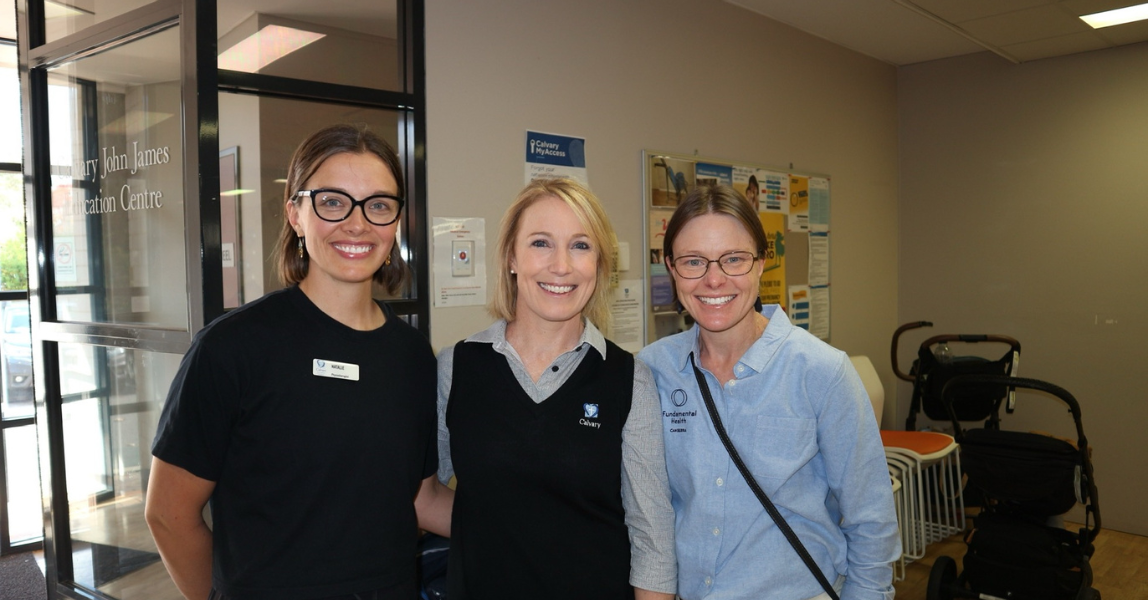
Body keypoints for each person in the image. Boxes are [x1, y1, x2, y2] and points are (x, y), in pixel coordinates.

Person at [145, 124, 453, 600]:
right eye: (332, 202)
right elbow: (168, 514)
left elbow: (422, 497)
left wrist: (539, 523)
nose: (357, 223)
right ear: (295, 214)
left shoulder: (411, 355)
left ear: (396, 221)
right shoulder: (234, 347)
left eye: (378, 205)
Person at [637, 183, 899, 600]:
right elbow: (649, 513)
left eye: (734, 259)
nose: (714, 279)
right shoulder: (653, 371)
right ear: (671, 268)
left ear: (761, 262)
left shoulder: (822, 372)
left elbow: (871, 520)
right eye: (693, 261)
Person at [436, 178, 676, 600]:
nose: (561, 265)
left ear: (599, 264)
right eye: (541, 243)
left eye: (580, 245)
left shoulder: (628, 379)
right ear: (511, 257)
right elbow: (422, 495)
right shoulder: (458, 367)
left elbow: (651, 537)